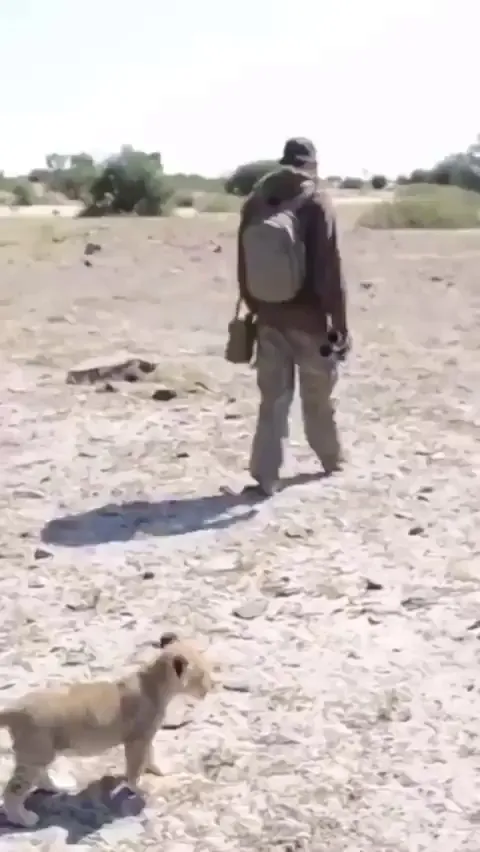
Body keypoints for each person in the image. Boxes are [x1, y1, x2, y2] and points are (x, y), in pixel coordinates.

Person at [237, 137, 350, 497]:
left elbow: (243, 264)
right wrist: (340, 323)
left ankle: (265, 475)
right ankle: (331, 460)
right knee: (318, 396)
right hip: (311, 321)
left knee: (273, 400)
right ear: (312, 164)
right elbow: (330, 268)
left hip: (269, 317)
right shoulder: (316, 200)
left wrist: (257, 308)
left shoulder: (256, 202)